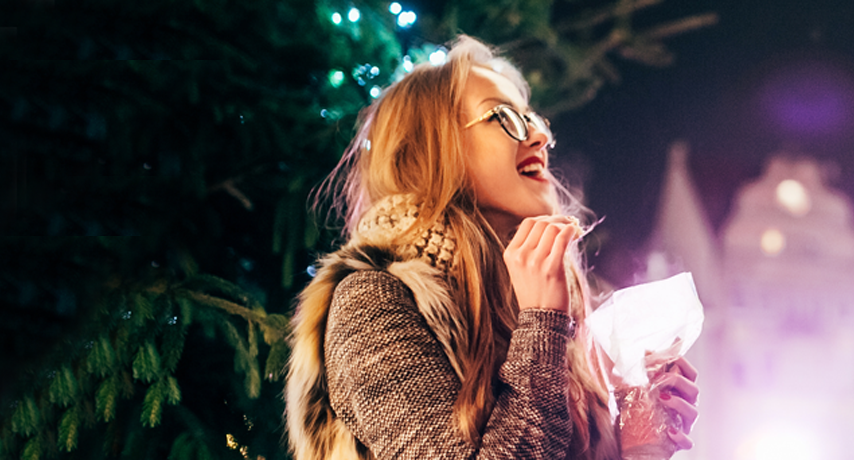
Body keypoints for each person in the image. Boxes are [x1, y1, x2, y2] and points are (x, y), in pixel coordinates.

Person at [283, 36, 699, 460]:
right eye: (504, 118)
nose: (539, 135)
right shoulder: (373, 301)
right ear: (428, 153)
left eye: (533, 119)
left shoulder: (562, 317)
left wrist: (638, 442)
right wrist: (541, 324)